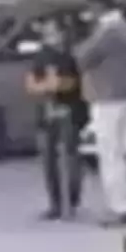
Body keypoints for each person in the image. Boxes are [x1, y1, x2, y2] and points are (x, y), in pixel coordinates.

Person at [74, 0, 126, 227]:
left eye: (91, 7)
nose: (89, 12)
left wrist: (81, 41)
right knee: (115, 154)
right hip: (115, 96)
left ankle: (120, 207)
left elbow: (83, 56)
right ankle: (122, 204)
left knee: (110, 156)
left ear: (100, 5)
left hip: (107, 97)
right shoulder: (118, 27)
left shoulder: (110, 30)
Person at [26, 18, 88, 220]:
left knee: (70, 155)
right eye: (46, 32)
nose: (49, 36)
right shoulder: (40, 56)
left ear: (62, 34)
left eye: (53, 32)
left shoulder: (70, 57)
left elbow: (70, 84)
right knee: (48, 159)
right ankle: (55, 203)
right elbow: (31, 84)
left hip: (68, 110)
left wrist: (52, 84)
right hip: (45, 113)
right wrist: (48, 85)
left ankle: (71, 200)